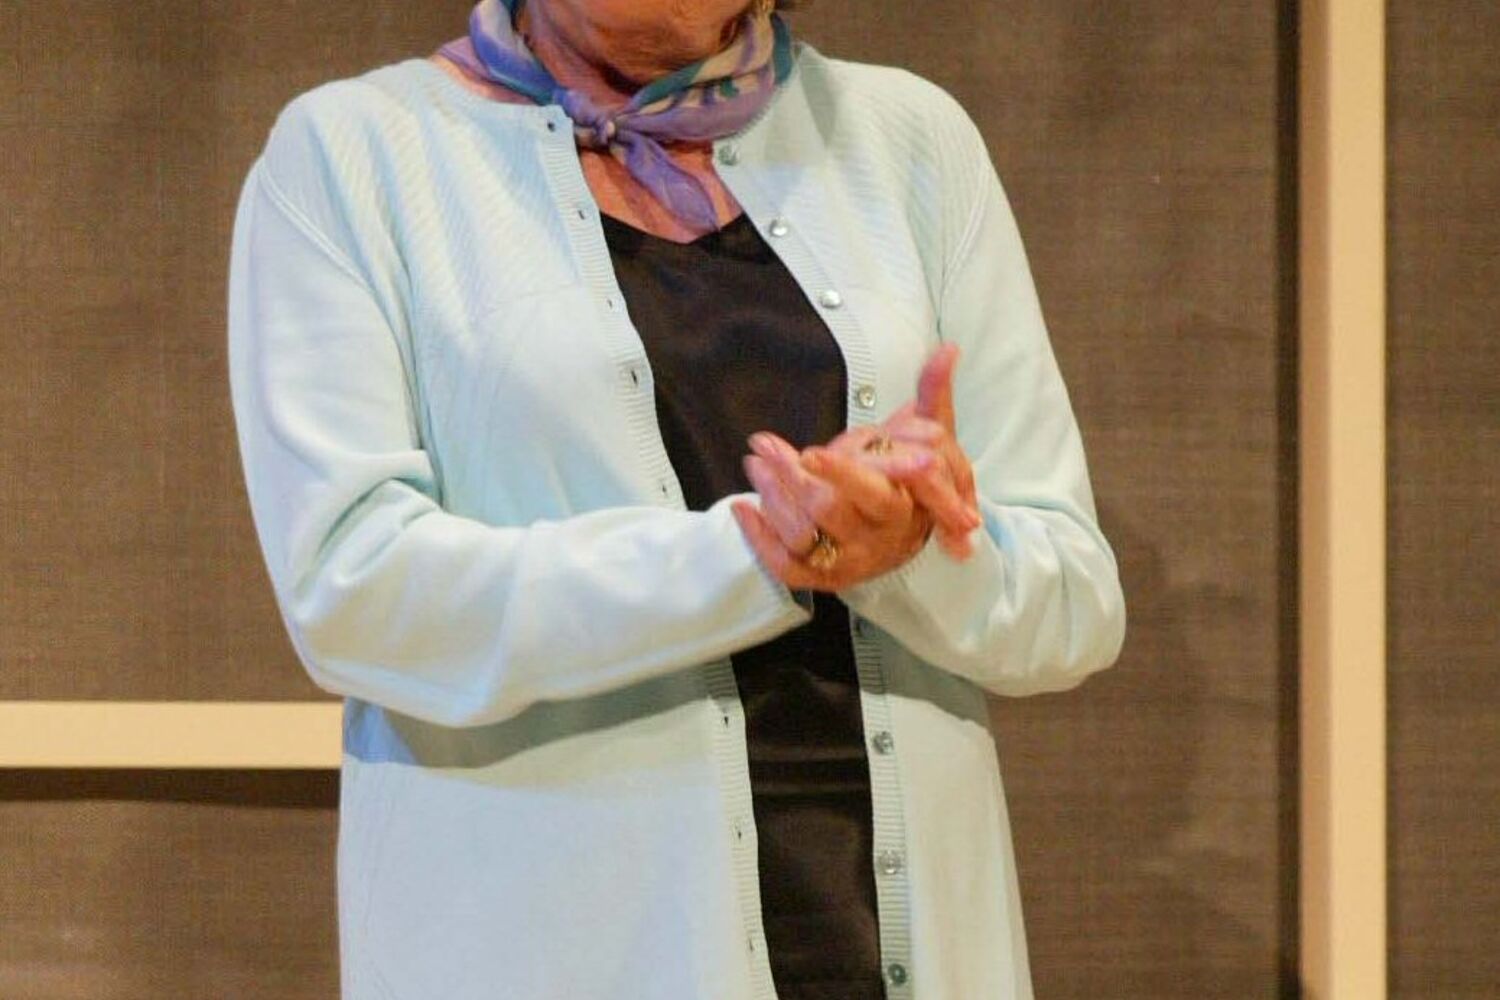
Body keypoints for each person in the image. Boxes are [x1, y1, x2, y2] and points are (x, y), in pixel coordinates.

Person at [225, 0, 1127, 997]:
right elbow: (352, 592)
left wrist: (909, 545)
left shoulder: (909, 137)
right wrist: (757, 554)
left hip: (889, 948)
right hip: (560, 953)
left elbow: (1071, 603)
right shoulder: (354, 155)